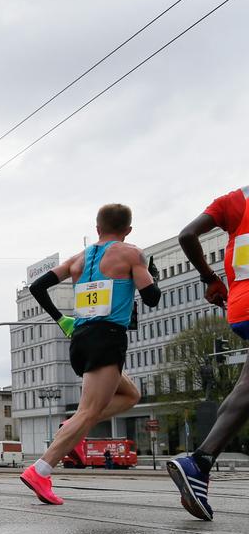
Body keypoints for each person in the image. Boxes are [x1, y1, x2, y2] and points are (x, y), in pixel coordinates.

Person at [21, 203, 159, 504]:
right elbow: (151, 297)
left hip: (80, 338)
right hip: (107, 338)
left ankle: (71, 426)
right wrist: (150, 274)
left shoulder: (78, 258)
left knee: (131, 394)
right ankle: (40, 470)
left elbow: (38, 286)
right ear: (128, 230)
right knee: (88, 412)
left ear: (97, 228)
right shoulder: (131, 253)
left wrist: (60, 319)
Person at [168, 185, 249, 520]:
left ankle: (199, 465)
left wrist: (210, 278)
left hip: (241, 306)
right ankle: (199, 461)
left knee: (245, 387)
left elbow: (187, 234)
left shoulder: (239, 198)